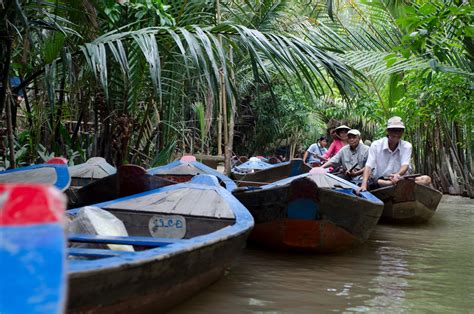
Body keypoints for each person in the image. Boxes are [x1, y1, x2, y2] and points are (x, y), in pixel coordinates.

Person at [360, 116, 431, 191]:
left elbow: (405, 165)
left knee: (427, 179)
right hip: (382, 180)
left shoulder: (407, 146)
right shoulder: (376, 145)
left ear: (402, 132)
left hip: (400, 179)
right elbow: (368, 166)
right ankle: (392, 184)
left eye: (399, 130)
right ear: (388, 131)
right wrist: (363, 185)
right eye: (394, 130)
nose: (397, 133)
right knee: (373, 181)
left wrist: (397, 175)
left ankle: (398, 184)